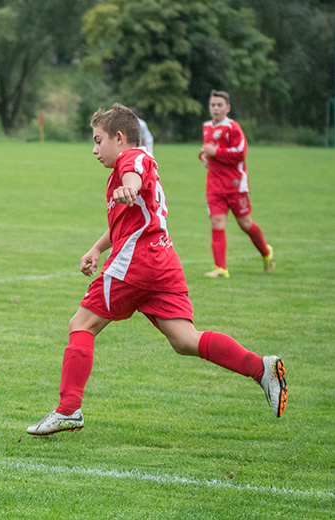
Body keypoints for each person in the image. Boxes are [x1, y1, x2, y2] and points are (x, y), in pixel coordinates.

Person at [27, 103, 287, 437]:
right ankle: (259, 367)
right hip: (162, 262)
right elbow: (127, 219)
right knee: (184, 339)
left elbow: (133, 175)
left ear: (119, 138)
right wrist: (96, 248)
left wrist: (130, 185)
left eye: (97, 140)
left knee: (81, 323)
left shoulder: (132, 159)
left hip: (135, 264)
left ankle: (68, 409)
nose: (94, 150)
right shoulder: (128, 168)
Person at [199, 90, 274, 278]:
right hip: (214, 185)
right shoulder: (207, 126)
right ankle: (221, 268)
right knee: (217, 223)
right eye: (212, 105)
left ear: (228, 108)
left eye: (219, 105)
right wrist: (203, 156)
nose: (215, 109)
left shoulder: (233, 128)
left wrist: (217, 154)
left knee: (245, 223)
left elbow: (240, 153)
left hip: (235, 185)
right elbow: (206, 149)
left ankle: (266, 253)